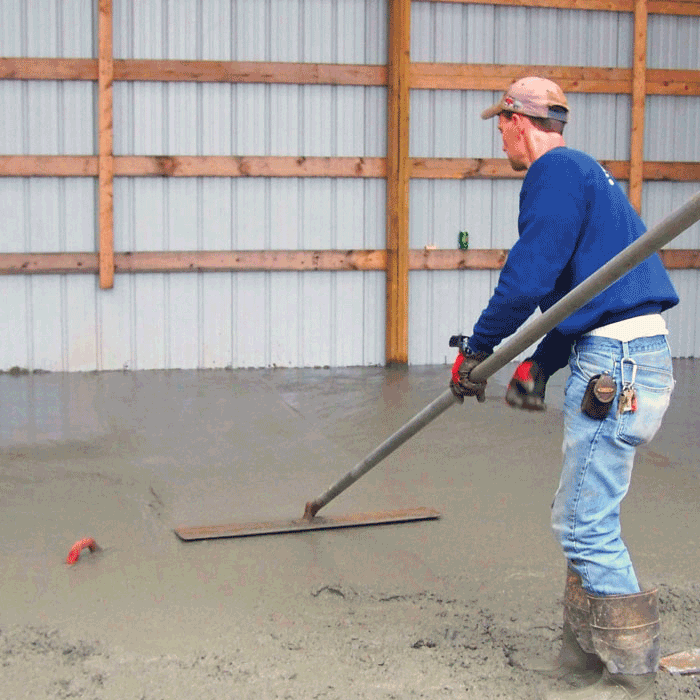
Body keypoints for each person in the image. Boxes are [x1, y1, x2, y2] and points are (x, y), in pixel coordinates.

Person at [449, 77, 678, 700]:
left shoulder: (552, 173)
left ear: (517, 120)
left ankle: (632, 674)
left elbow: (529, 277)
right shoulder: (586, 174)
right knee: (581, 512)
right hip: (630, 354)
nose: (500, 137)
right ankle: (581, 655)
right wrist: (541, 366)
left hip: (615, 362)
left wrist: (477, 350)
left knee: (583, 523)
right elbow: (580, 293)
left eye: (501, 125)